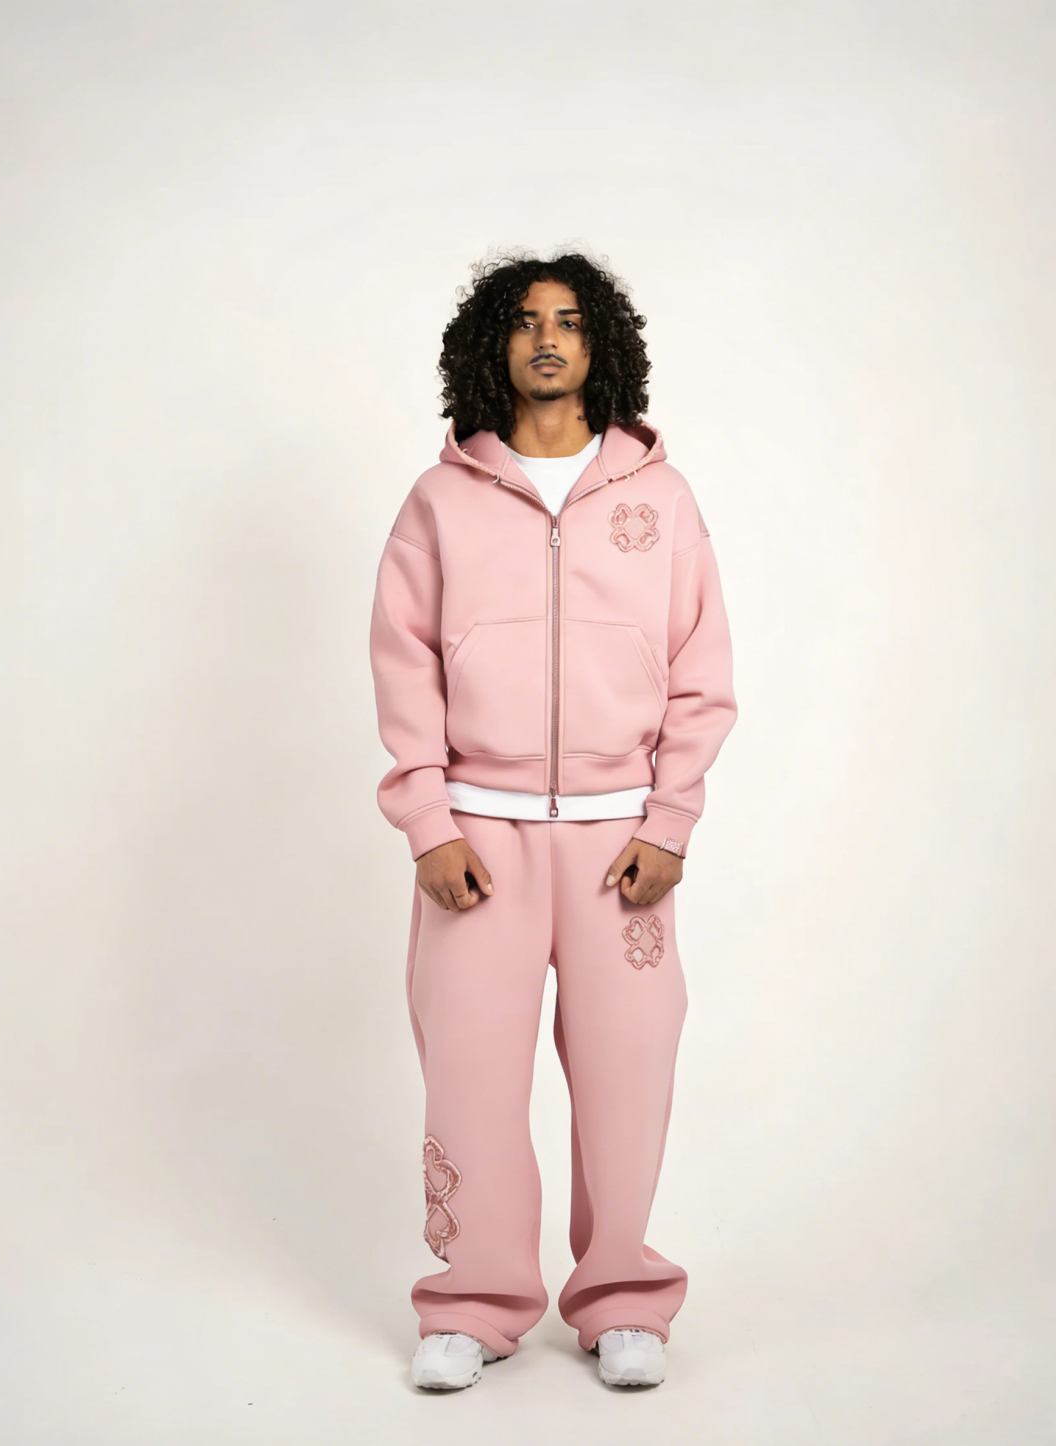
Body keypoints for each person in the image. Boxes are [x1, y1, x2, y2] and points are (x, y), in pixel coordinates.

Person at [368, 249, 737, 1390]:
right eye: (525, 321)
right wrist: (428, 821)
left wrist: (667, 824)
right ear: (493, 345)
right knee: (470, 1074)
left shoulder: (659, 498)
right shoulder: (440, 500)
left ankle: (622, 1299)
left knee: (628, 1072)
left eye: (569, 321)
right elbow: (403, 666)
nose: (546, 338)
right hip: (475, 840)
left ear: (598, 344)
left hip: (620, 844)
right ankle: (473, 1303)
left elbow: (700, 676)